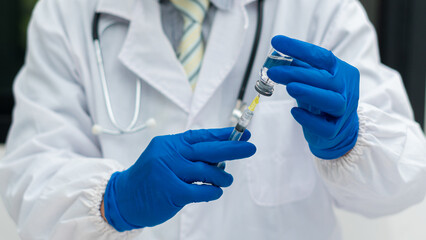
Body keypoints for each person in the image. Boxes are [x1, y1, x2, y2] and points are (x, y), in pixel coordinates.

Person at [1, 0, 426, 239]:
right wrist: (113, 199)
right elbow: (30, 173)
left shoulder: (320, 9)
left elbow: (406, 178)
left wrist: (350, 139)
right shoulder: (66, 13)